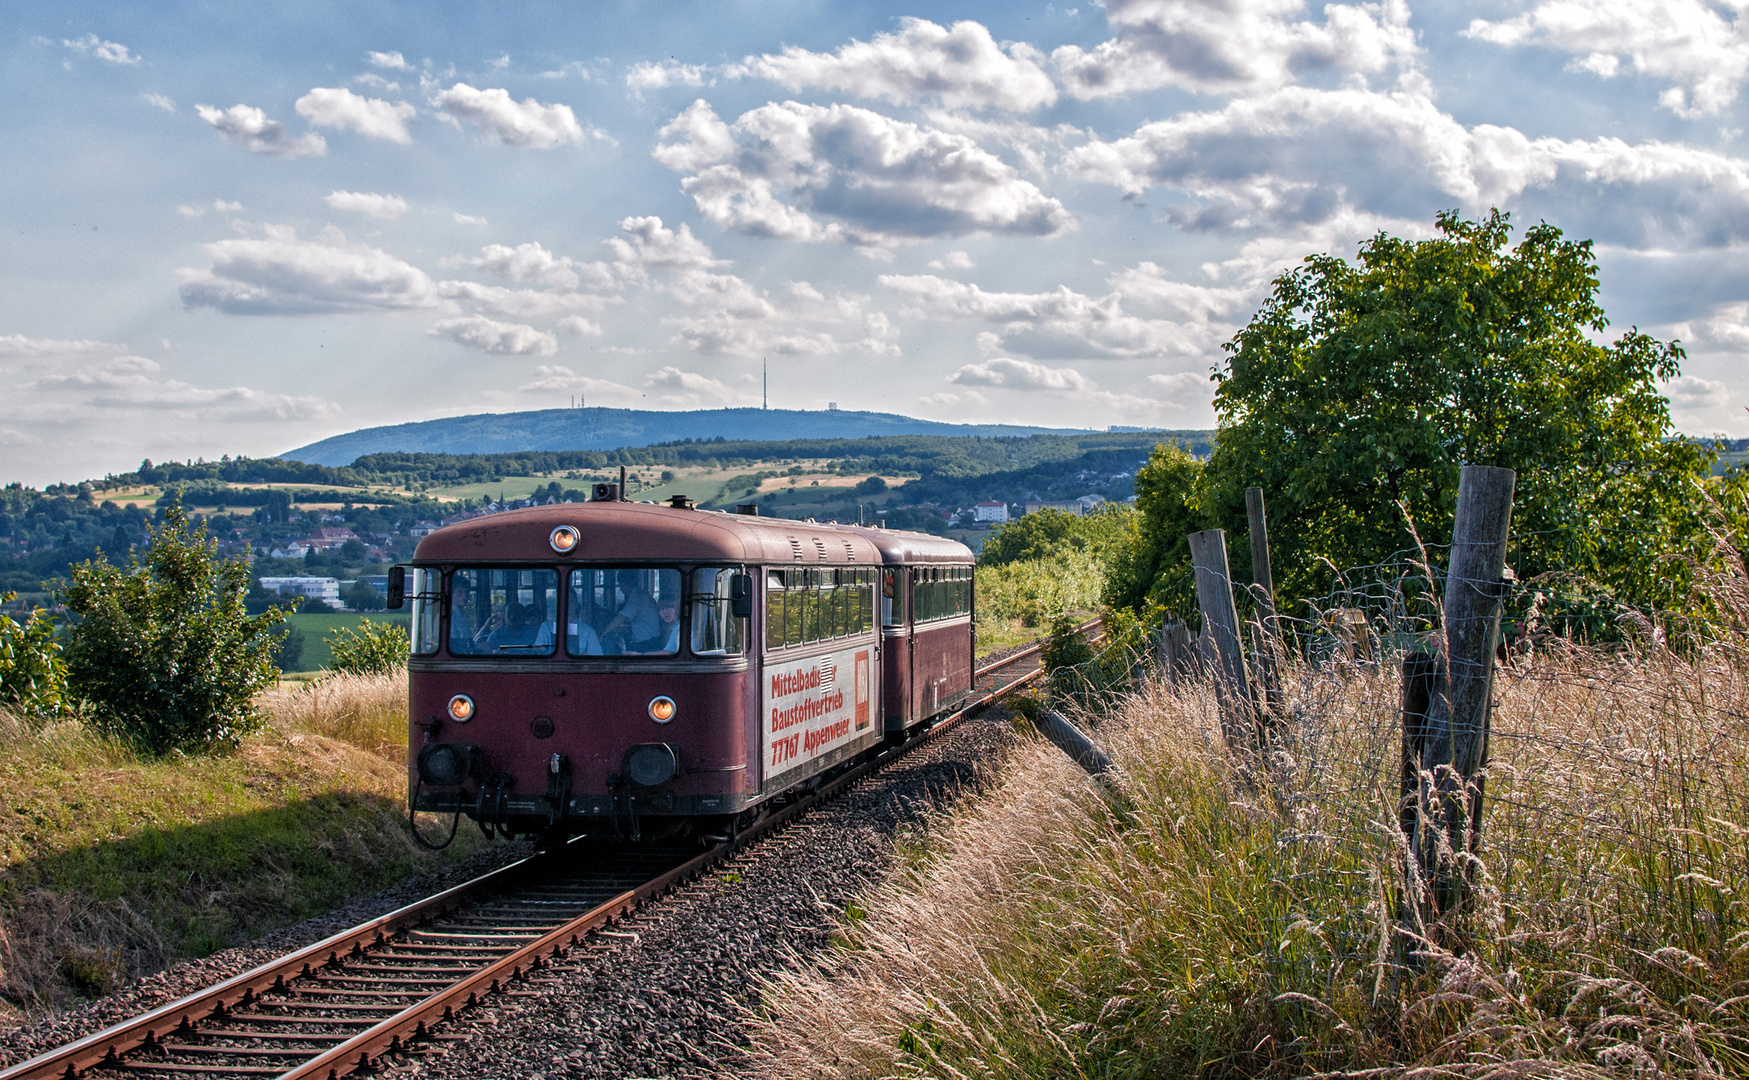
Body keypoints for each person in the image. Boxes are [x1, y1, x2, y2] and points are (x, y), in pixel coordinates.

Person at [602, 570, 661, 652]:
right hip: (648, 640)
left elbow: (622, 617)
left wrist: (603, 633)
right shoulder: (639, 594)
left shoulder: (637, 596)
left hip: (648, 643)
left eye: (620, 585)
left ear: (624, 584)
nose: (621, 589)